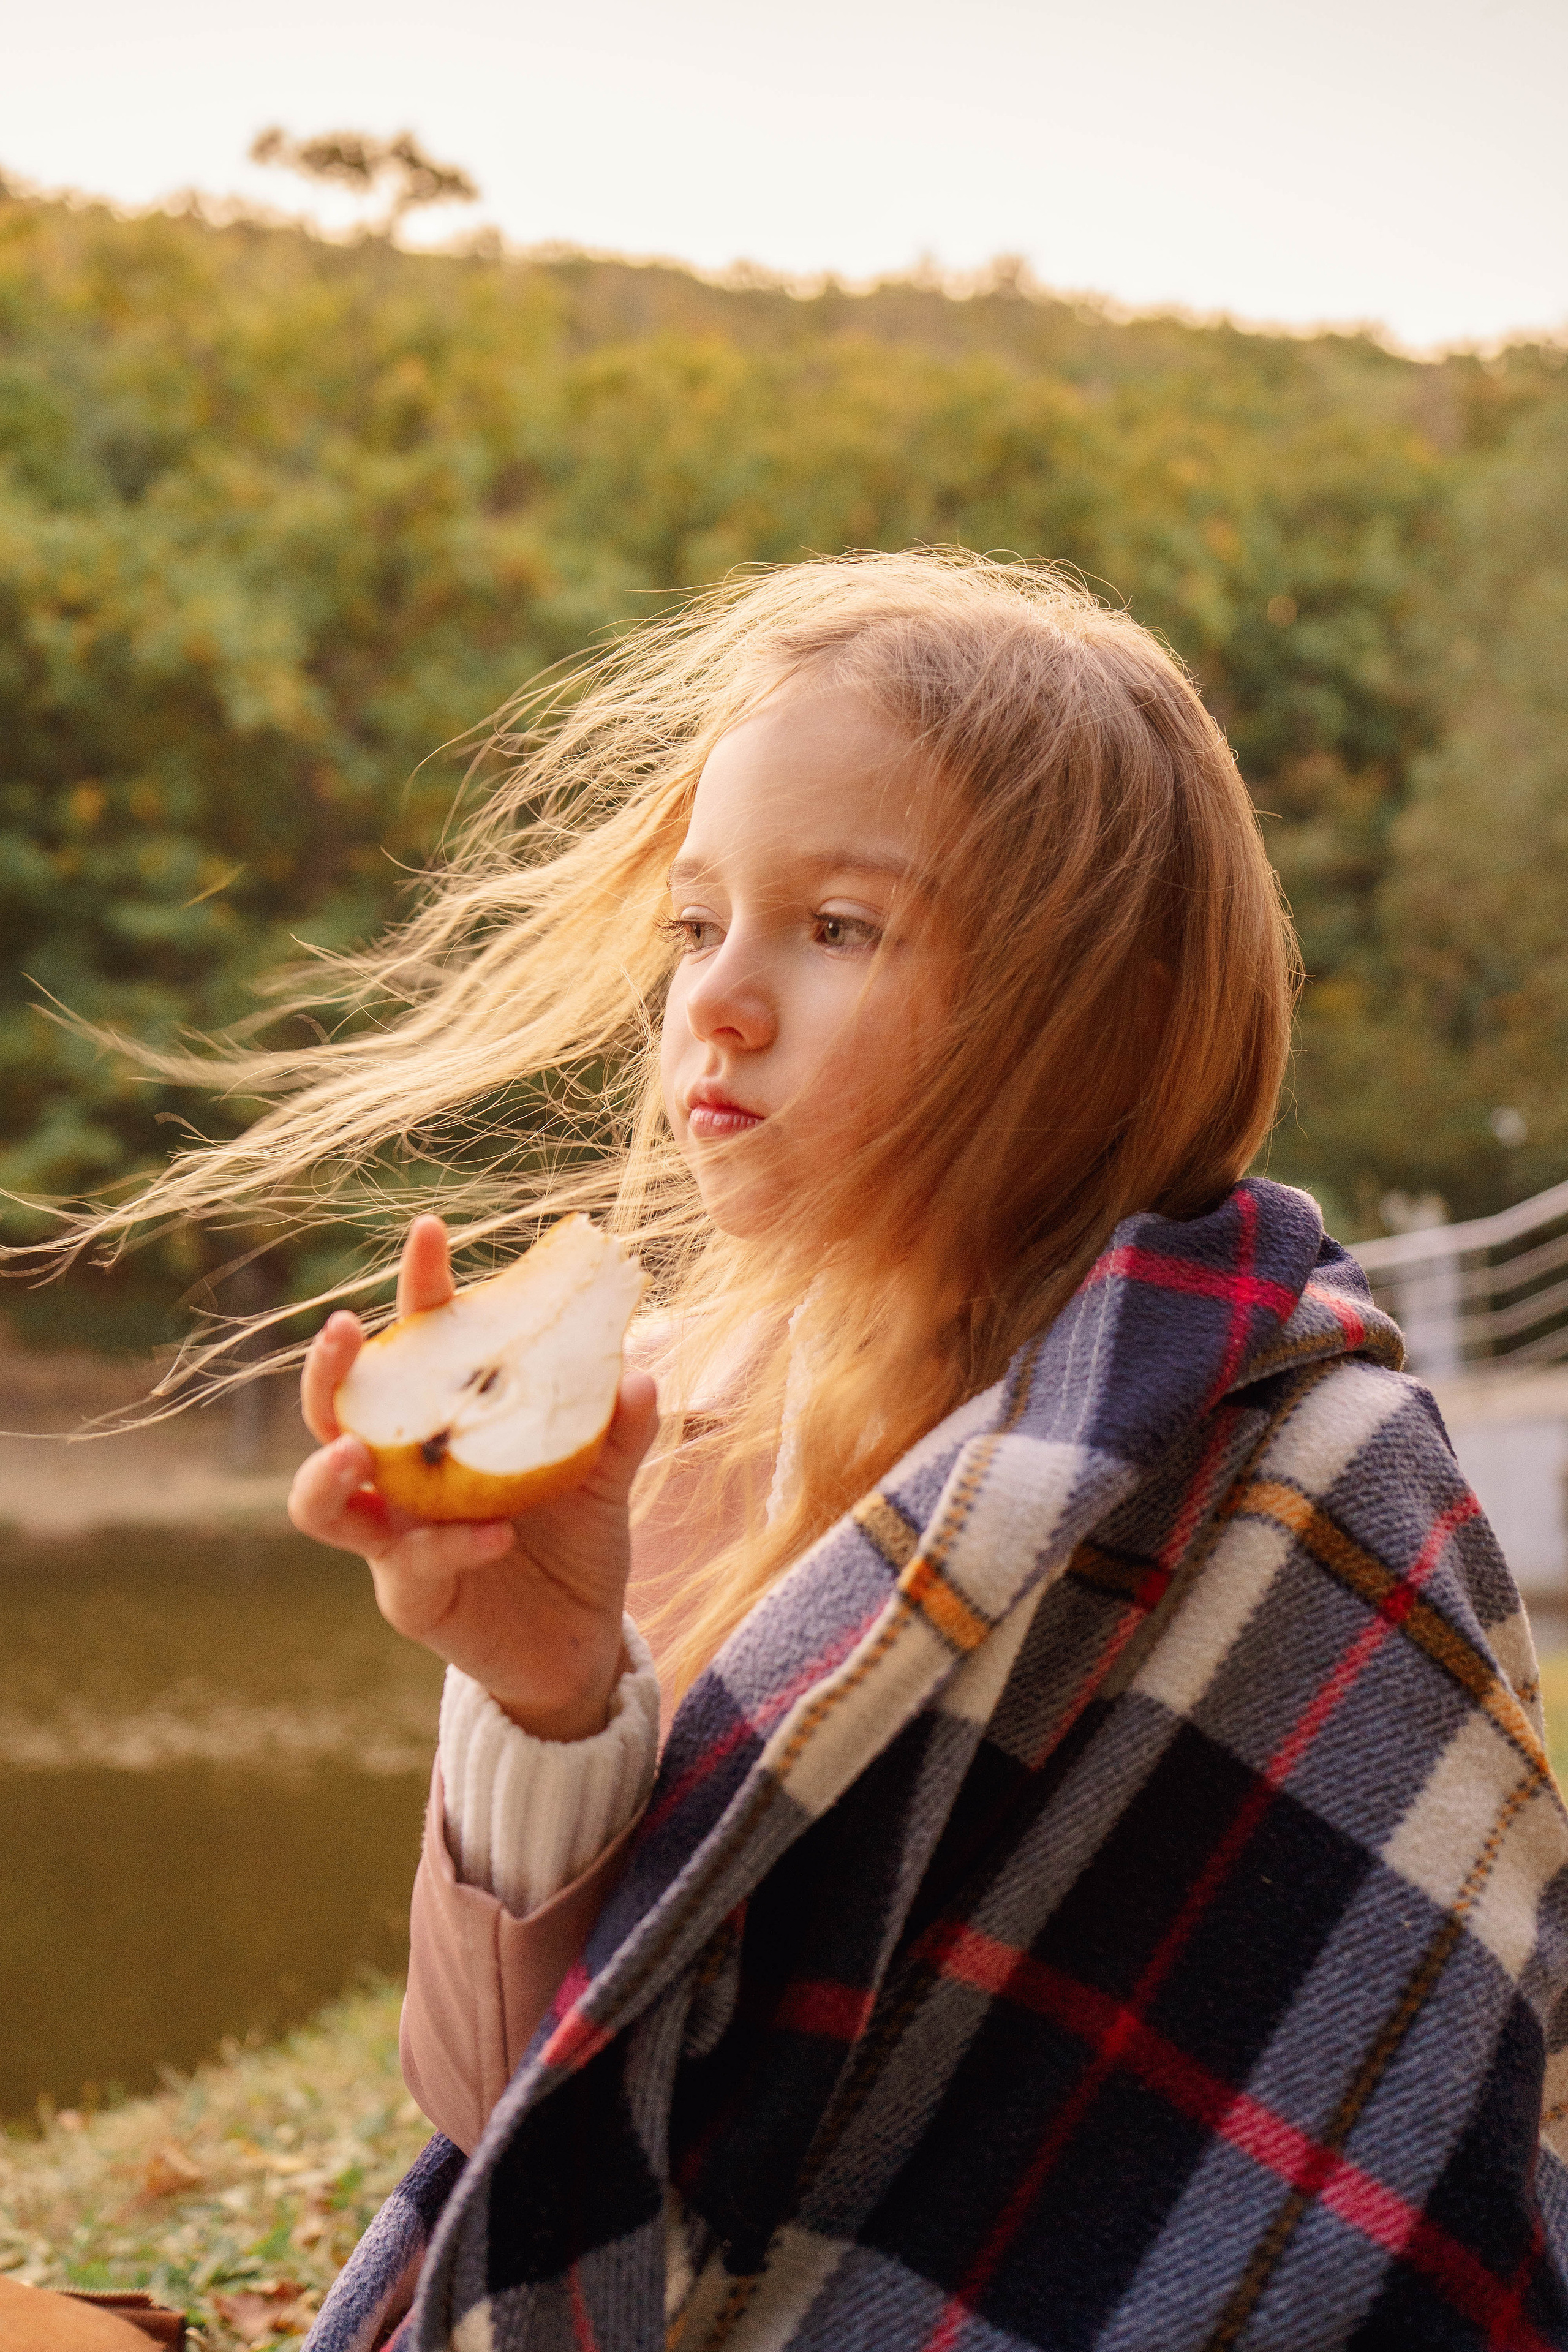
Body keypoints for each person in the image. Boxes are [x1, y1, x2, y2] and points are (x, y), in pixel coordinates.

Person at [52, 554, 1568, 2349]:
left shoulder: (1318, 1466)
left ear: (1094, 1007)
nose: (720, 1000)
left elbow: (1380, 2130)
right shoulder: (674, 1422)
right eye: (700, 925)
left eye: (837, 928)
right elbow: (505, 2121)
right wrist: (540, 1694)